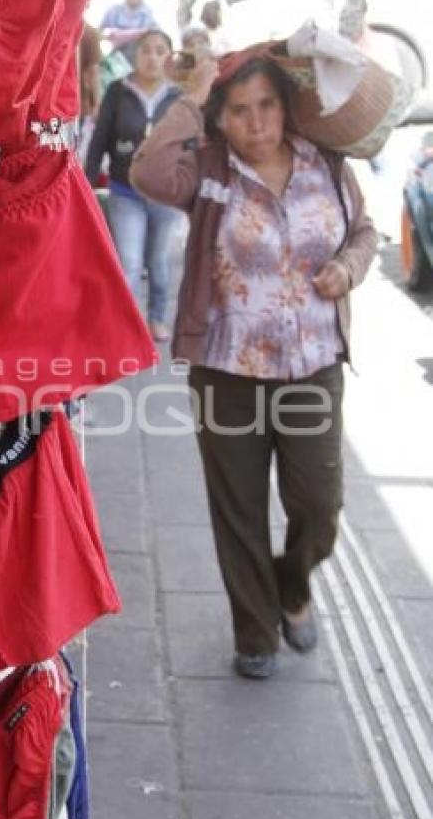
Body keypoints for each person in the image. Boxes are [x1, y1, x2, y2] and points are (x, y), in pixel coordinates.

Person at [129, 52, 377, 679]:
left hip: (313, 365)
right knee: (237, 506)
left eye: (266, 105)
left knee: (320, 505)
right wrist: (194, 92)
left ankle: (292, 586)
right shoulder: (210, 169)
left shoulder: (327, 163)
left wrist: (346, 270)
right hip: (227, 368)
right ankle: (256, 632)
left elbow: (365, 233)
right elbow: (149, 173)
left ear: (285, 106)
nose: (256, 121)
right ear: (222, 117)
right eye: (239, 110)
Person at [85, 29, 182, 341]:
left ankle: (157, 317)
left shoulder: (178, 97)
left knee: (158, 261)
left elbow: (191, 145)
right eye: (146, 51)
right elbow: (99, 140)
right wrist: (85, 184)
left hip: (165, 195)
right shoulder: (118, 91)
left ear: (169, 58)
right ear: (135, 57)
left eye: (159, 51)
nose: (152, 57)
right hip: (125, 192)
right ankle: (125, 324)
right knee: (129, 261)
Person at [100, 0, 158, 64]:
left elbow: (152, 37)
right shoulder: (113, 10)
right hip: (113, 63)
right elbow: (100, 33)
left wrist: (121, 35)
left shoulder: (148, 14)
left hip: (137, 65)